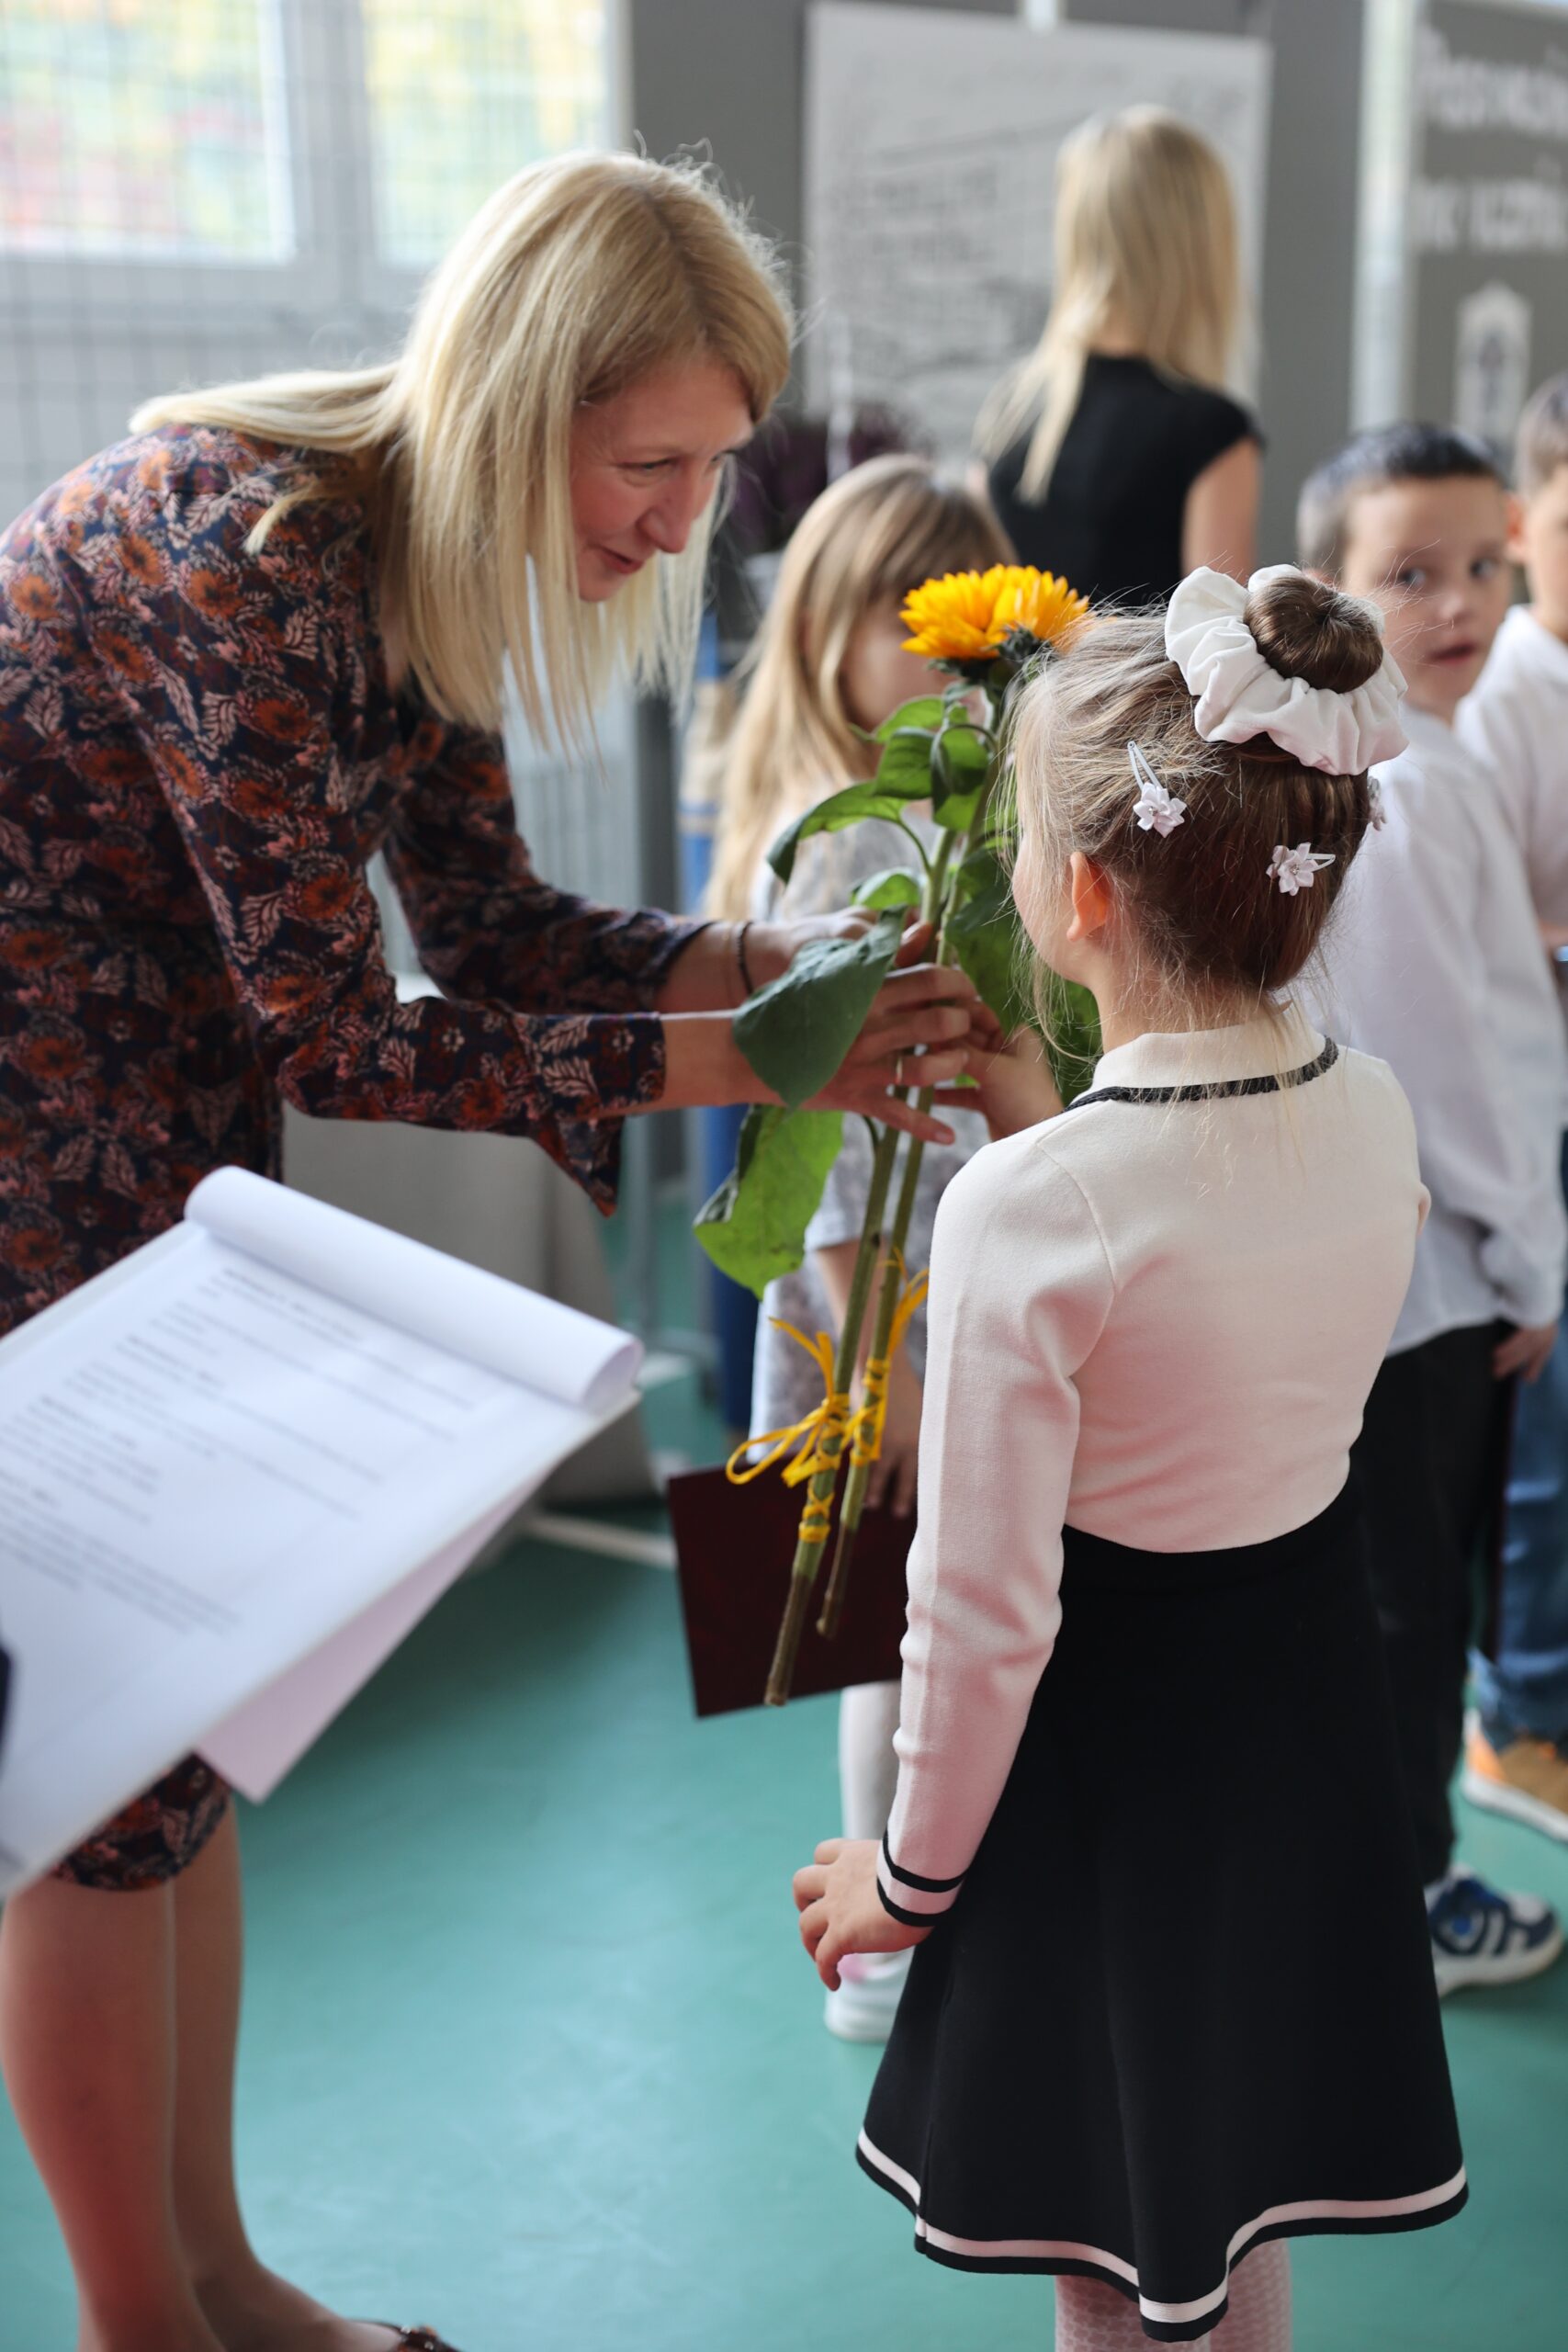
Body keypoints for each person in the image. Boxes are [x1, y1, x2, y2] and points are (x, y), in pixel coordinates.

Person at [0, 153, 986, 2352]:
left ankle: (216, 2275)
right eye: (648, 464)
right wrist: (770, 1054)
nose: (678, 520)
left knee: (178, 1742)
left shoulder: (401, 572)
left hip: (150, 1132)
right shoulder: (241, 547)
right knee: (91, 1780)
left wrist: (792, 969)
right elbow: (346, 1030)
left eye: (712, 469)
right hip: (32, 1144)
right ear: (520, 400)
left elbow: (501, 931)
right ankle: (139, 2320)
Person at [794, 566, 1466, 2349]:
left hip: (1110, 1761)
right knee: (1222, 2188)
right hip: (1298, 1709)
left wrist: (903, 1876)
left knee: (1104, 2236)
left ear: (1079, 892)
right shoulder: (1371, 1108)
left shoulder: (1026, 1207)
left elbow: (980, 1612)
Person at [711, 455, 1060, 2041]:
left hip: (938, 1277)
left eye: (978, 640)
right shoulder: (843, 847)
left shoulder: (944, 816)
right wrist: (882, 1360)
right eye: (911, 627)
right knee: (896, 1632)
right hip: (878, 1307)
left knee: (924, 1616)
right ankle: (881, 1950)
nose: (950, 662)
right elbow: (829, 1129)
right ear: (823, 636)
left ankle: (919, 1917)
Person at [1297, 424, 1567, 1991]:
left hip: (1422, 1269)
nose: (1457, 602)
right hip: (1436, 1284)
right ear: (1325, 590)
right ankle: (1403, 1891)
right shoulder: (1399, 785)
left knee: (1402, 1592)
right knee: (1407, 1601)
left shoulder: (1420, 762)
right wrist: (1530, 1262)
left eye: (1478, 564)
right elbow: (1446, 1071)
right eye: (1406, 574)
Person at [1455, 374, 1568, 1838]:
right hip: (1525, 1115)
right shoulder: (1497, 703)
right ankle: (1520, 1713)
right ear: (1521, 521)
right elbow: (1485, 945)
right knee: (1541, 1440)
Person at [974, 107, 1260, 605]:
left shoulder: (1012, 407)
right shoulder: (1210, 431)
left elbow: (973, 608)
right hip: (1141, 665)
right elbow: (1218, 642)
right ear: (1202, 243)